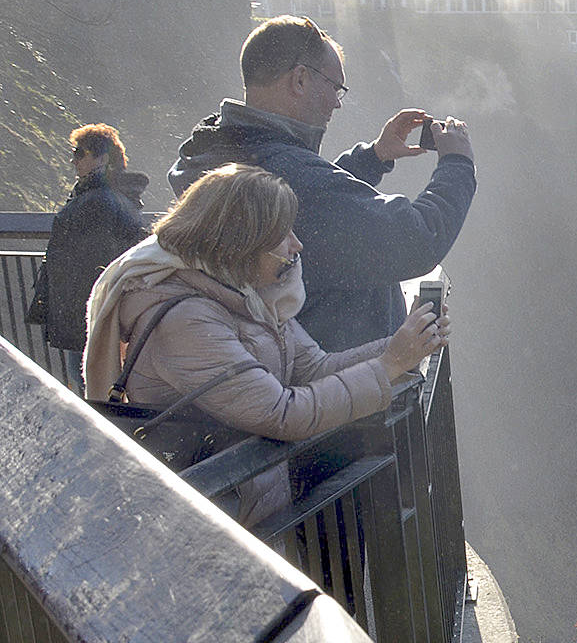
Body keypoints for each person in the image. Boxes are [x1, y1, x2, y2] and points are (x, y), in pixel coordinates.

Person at [83, 164, 447, 526]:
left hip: (242, 508)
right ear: (241, 241)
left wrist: (402, 347)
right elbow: (282, 414)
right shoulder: (185, 321)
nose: (297, 245)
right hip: (203, 525)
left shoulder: (241, 294)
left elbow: (314, 369)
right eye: (282, 234)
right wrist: (388, 365)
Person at [169, 13, 474, 351]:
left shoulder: (219, 153)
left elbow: (314, 211)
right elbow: (416, 240)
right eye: (334, 86)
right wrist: (457, 164)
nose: (337, 102)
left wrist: (373, 157)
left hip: (263, 368)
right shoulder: (289, 175)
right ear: (300, 80)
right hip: (332, 385)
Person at [33, 124, 151, 384]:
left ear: (103, 159)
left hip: (87, 307)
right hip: (94, 306)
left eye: (80, 153)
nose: (73, 160)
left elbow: (94, 261)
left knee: (88, 381)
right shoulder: (110, 197)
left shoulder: (98, 201)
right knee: (97, 379)